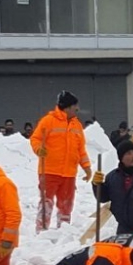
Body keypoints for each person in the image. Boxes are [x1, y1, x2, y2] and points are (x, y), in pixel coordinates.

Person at [31, 91, 92, 232]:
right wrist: (39, 149)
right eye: (75, 107)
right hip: (49, 170)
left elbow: (80, 149)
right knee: (46, 202)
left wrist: (87, 167)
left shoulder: (77, 125)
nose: (77, 109)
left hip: (69, 173)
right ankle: (42, 230)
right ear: (67, 107)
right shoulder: (48, 121)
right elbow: (35, 139)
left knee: (66, 205)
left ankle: (63, 231)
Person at [91, 141, 133, 235]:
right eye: (128, 154)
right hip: (124, 229)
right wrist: (97, 185)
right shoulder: (113, 177)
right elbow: (102, 198)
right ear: (121, 158)